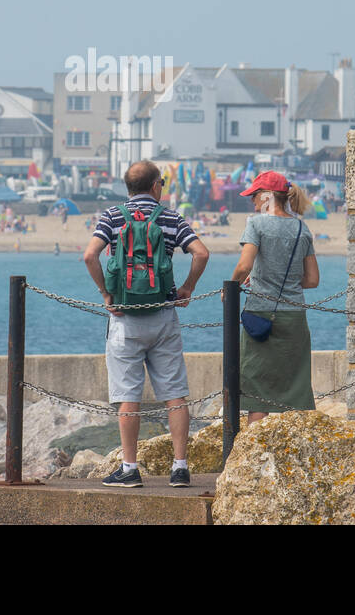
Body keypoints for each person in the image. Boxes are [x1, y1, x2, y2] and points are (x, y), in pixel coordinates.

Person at [84, 160, 209, 489]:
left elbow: (89, 255)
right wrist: (187, 288)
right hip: (163, 314)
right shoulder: (170, 218)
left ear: (127, 188)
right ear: (156, 186)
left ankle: (129, 468)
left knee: (128, 396)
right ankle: (180, 468)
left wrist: (106, 293)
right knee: (175, 395)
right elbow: (201, 253)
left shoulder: (112, 216)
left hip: (124, 317)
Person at [230, 171, 318, 425]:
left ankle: (254, 457)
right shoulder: (302, 228)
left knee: (258, 392)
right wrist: (285, 281)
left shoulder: (256, 224)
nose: (253, 202)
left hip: (260, 315)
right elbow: (312, 280)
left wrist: (231, 286)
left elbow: (244, 265)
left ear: (267, 197)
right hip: (294, 317)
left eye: (255, 196)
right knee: (296, 388)